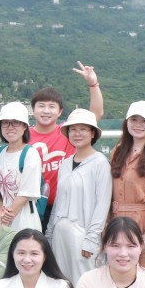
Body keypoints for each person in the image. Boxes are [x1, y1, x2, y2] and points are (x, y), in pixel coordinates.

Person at [28, 62, 104, 229]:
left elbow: (95, 115)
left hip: (64, 207)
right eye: (41, 106)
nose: (46, 111)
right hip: (32, 206)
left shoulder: (67, 132)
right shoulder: (24, 136)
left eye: (51, 107)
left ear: (60, 111)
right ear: (32, 110)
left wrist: (93, 84)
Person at [47, 108, 112, 284]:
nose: (77, 133)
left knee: (85, 284)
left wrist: (91, 240)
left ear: (93, 133)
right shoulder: (65, 164)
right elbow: (59, 201)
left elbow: (102, 205)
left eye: (83, 129)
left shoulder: (100, 163)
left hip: (82, 236)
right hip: (60, 234)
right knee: (61, 284)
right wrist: (49, 234)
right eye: (73, 129)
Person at [108, 101, 145, 272]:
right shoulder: (118, 152)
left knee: (142, 272)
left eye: (144, 121)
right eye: (134, 119)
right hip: (116, 219)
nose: (138, 125)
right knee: (117, 270)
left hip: (141, 222)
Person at [0, 102, 43, 232]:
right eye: (5, 123)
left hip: (23, 221)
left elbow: (25, 193)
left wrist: (5, 218)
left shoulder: (30, 154)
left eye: (15, 122)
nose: (10, 127)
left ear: (24, 126)